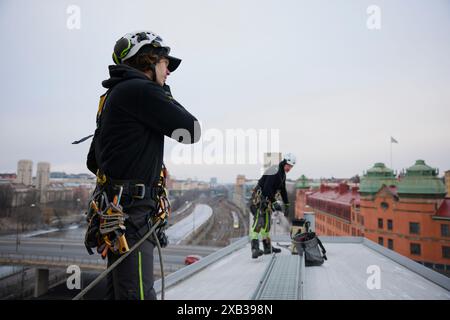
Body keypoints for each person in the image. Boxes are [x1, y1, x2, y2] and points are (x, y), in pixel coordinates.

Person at [86, 31, 200, 299]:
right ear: (148, 60)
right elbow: (191, 130)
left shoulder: (114, 95)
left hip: (118, 211)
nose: (169, 70)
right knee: (137, 294)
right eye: (165, 62)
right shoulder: (140, 90)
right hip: (132, 215)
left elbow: (93, 161)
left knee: (121, 294)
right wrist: (163, 93)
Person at [249, 153, 296, 258]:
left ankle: (267, 247)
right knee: (258, 222)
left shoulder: (282, 174)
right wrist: (274, 202)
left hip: (266, 201)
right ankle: (254, 249)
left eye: (291, 167)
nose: (290, 168)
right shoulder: (274, 170)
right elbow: (266, 189)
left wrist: (287, 204)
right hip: (258, 199)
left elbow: (283, 190)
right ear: (284, 162)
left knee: (266, 225)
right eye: (289, 165)